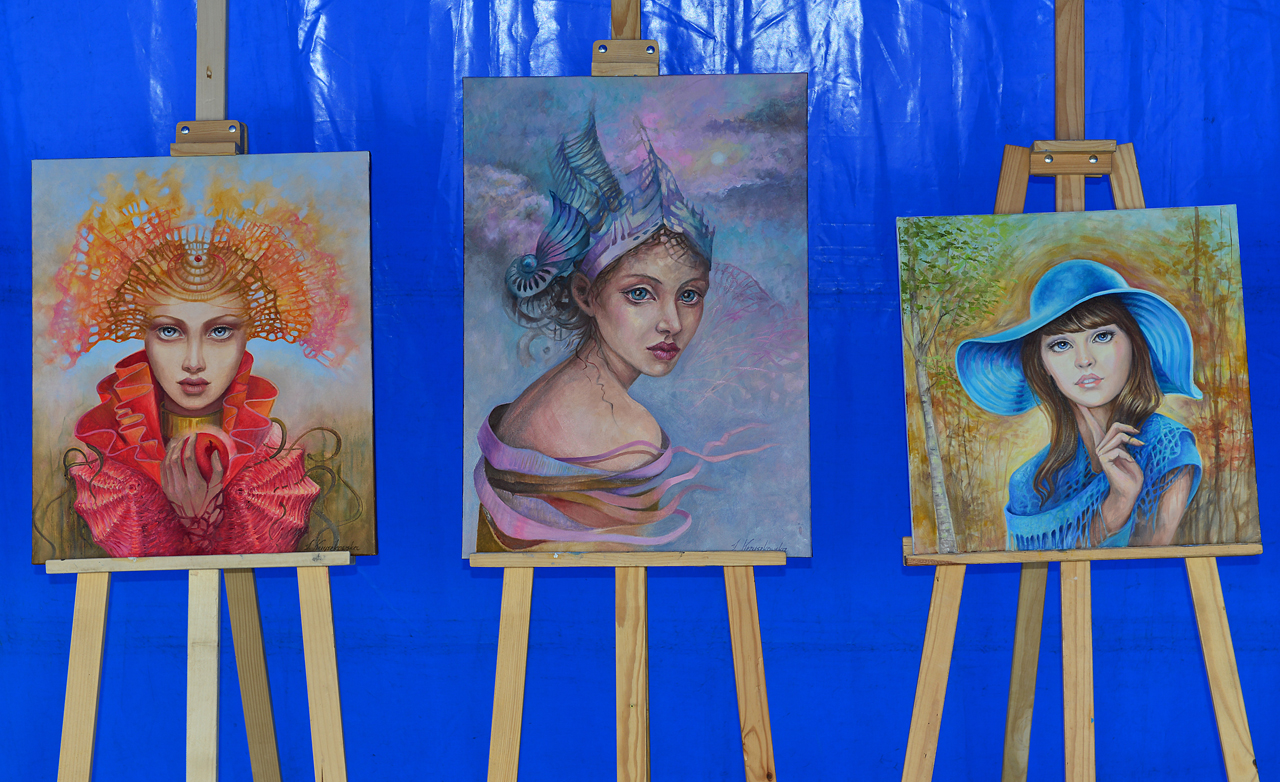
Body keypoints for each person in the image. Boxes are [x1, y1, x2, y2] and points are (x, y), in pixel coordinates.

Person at [474, 116, 766, 551]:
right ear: (585, 294)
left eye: (689, 295)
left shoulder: (543, 394)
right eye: (640, 293)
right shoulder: (629, 435)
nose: (672, 322)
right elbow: (611, 576)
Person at [48, 182, 348, 557]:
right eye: (169, 331)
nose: (193, 361)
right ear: (144, 335)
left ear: (248, 334)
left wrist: (203, 520)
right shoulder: (109, 466)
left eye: (219, 331)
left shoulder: (272, 464)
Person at [956, 259, 1203, 550]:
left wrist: (1126, 497)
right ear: (1042, 363)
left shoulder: (1167, 446)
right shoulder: (1028, 484)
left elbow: (1152, 568)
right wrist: (1117, 504)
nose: (1084, 360)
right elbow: (1031, 569)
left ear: (1134, 344)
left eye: (1102, 336)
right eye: (1061, 344)